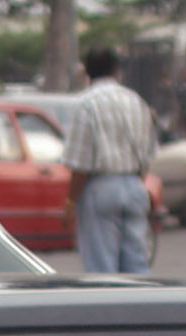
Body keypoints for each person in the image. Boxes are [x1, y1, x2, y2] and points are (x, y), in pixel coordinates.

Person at [63, 47, 158, 275]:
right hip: (135, 186)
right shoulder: (136, 101)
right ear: (116, 70)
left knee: (102, 268)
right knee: (137, 265)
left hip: (100, 189)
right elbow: (149, 154)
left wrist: (70, 202)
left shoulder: (85, 104)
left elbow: (80, 163)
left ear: (86, 71)